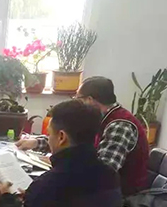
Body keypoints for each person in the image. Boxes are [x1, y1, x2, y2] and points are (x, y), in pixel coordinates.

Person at [17, 76, 149, 196]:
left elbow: (102, 172)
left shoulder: (119, 125)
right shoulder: (97, 118)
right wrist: (36, 143)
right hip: (97, 190)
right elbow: (73, 138)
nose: (75, 103)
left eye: (77, 99)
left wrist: (60, 163)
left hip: (119, 197)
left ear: (89, 100)